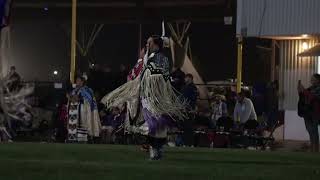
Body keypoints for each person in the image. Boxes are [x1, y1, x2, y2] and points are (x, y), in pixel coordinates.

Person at [101, 35, 186, 160]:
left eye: (149, 43)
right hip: (148, 97)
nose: (147, 45)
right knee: (153, 125)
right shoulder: (150, 58)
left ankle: (156, 150)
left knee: (156, 125)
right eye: (147, 43)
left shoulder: (161, 58)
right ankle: (155, 150)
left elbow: (159, 78)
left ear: (156, 45)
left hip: (157, 97)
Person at [67, 76, 101, 143]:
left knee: (82, 123)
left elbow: (90, 100)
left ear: (82, 82)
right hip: (74, 110)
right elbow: (70, 99)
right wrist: (70, 98)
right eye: (76, 81)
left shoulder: (87, 89)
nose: (77, 82)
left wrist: (80, 99)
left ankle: (83, 138)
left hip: (83, 109)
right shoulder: (74, 90)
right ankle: (74, 138)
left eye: (79, 81)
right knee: (75, 123)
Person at [298, 74, 320, 152]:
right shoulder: (311, 88)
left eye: (313, 79)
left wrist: (304, 90)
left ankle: (316, 149)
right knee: (310, 130)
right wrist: (300, 90)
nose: (311, 80)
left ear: (318, 80)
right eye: (311, 79)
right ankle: (312, 148)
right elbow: (304, 96)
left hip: (315, 113)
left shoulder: (318, 89)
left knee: (314, 130)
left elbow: (312, 96)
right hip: (307, 112)